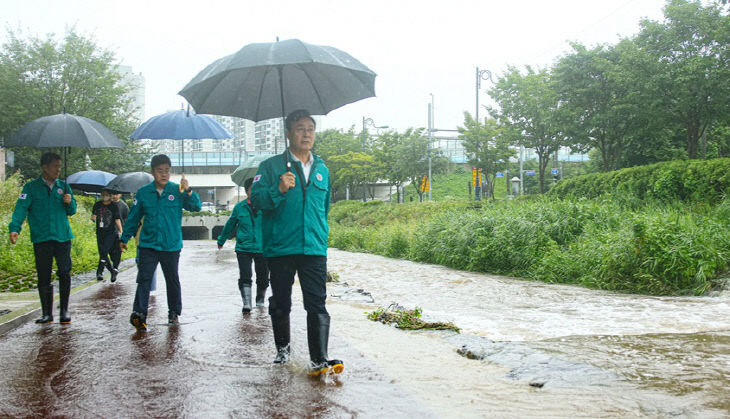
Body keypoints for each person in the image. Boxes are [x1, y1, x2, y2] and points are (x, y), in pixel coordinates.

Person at [250, 109, 343, 376]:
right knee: (281, 301)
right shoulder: (270, 167)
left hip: (313, 247)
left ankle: (319, 359)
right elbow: (255, 202)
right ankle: (283, 351)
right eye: (300, 128)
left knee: (317, 302)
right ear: (288, 133)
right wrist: (278, 190)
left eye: (310, 129)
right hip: (280, 247)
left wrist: (320, 234)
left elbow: (323, 208)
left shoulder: (322, 168)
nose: (306, 134)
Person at [120, 154, 201, 330]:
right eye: (159, 171)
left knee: (172, 279)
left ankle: (174, 313)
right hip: (148, 244)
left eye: (167, 171)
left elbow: (196, 207)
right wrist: (124, 237)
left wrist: (188, 191)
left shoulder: (177, 190)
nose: (164, 174)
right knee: (144, 279)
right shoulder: (143, 193)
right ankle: (139, 314)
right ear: (153, 172)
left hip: (171, 245)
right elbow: (134, 218)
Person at [8, 152, 77, 324]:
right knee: (43, 274)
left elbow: (72, 211)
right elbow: (21, 208)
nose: (58, 170)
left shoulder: (64, 186)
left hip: (62, 237)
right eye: (55, 166)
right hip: (42, 238)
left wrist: (70, 202)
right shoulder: (31, 188)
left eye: (60, 166)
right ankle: (47, 313)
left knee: (64, 272)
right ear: (44, 167)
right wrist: (15, 228)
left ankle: (64, 311)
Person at [216, 177, 269, 313]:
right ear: (247, 191)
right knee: (245, 275)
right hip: (243, 248)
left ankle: (260, 299)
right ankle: (246, 303)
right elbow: (230, 225)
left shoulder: (267, 206)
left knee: (263, 276)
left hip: (262, 247)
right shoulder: (239, 207)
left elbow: (275, 225)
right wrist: (221, 240)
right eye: (252, 189)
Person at [91, 189, 123, 282]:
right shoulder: (97, 205)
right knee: (102, 253)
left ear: (110, 195)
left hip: (111, 233)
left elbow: (117, 219)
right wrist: (93, 218)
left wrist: (121, 231)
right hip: (100, 232)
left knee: (105, 251)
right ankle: (111, 271)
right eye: (103, 194)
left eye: (106, 194)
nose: (104, 196)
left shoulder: (113, 206)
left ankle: (102, 271)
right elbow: (93, 216)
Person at [109, 192, 129, 274]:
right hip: (109, 230)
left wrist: (124, 230)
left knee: (118, 248)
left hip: (119, 230)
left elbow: (127, 218)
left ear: (120, 195)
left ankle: (115, 266)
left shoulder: (124, 206)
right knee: (109, 248)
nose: (114, 195)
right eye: (113, 194)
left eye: (117, 194)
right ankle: (114, 261)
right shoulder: (108, 204)